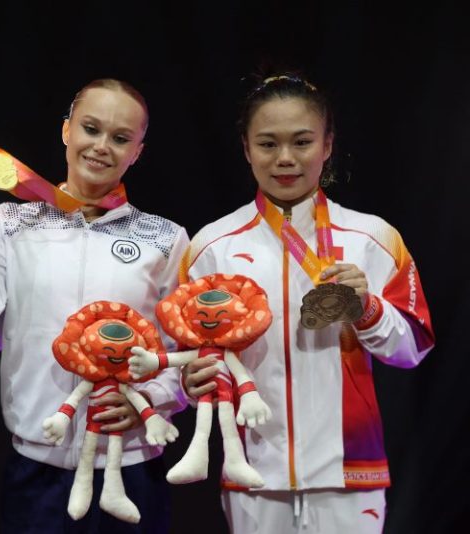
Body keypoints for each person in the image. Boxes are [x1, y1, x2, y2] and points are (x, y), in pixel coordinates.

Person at [180, 73, 435, 533]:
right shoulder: (210, 246)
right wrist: (187, 380)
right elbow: (180, 356)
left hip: (350, 471)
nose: (285, 159)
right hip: (253, 472)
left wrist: (367, 309)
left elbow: (413, 348)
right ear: (245, 147)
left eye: (302, 142)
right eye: (267, 143)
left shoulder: (373, 238)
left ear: (328, 144)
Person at [0, 78, 189, 533]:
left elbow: (183, 347)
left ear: (138, 151)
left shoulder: (165, 237)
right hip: (37, 462)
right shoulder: (12, 220)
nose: (102, 147)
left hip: (133, 460)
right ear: (66, 130)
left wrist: (154, 401)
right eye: (91, 129)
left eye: (121, 139)